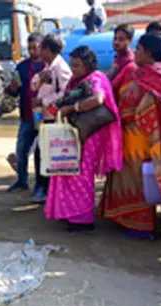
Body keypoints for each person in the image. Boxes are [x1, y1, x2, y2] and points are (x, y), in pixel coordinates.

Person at [99, 34, 161, 240]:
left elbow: (134, 106)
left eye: (138, 49)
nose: (135, 53)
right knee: (143, 179)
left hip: (140, 138)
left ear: (147, 52)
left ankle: (140, 226)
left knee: (137, 181)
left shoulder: (148, 76)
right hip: (152, 137)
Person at [46, 46, 122, 233]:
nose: (74, 69)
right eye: (72, 65)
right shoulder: (77, 80)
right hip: (76, 132)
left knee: (80, 175)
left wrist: (73, 108)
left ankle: (83, 219)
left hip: (89, 134)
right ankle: (69, 213)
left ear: (88, 64)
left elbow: (98, 99)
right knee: (66, 169)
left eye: (77, 65)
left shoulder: (95, 78)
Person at [31, 34, 72, 203]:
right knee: (41, 152)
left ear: (47, 50)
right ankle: (43, 187)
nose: (38, 51)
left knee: (46, 153)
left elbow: (65, 92)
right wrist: (41, 79)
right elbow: (35, 84)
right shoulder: (47, 66)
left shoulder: (61, 68)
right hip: (43, 115)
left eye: (41, 48)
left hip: (54, 118)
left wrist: (44, 101)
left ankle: (45, 188)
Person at [6, 32, 44, 192]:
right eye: (30, 48)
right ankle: (22, 181)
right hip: (27, 116)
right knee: (22, 149)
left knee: (40, 152)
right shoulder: (21, 67)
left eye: (36, 48)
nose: (33, 51)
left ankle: (40, 185)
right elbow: (13, 92)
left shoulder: (49, 66)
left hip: (44, 116)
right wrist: (12, 88)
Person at [107, 24, 136, 93]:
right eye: (115, 38)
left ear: (130, 41)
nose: (116, 42)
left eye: (121, 39)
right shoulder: (119, 56)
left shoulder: (129, 62)